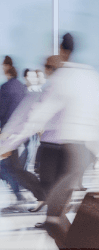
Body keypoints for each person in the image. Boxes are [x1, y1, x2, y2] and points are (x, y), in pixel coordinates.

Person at [0, 34, 99, 247]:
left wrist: (6, 146)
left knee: (54, 218)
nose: (46, 70)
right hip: (82, 150)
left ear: (62, 52)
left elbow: (33, 119)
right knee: (56, 216)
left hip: (72, 150)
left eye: (48, 65)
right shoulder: (90, 76)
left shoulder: (61, 80)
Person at [0, 56, 38, 212]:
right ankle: (23, 194)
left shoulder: (6, 88)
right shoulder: (21, 88)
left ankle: (21, 195)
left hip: (8, 135)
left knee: (7, 168)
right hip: (21, 135)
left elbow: (1, 112)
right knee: (14, 168)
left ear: (6, 66)